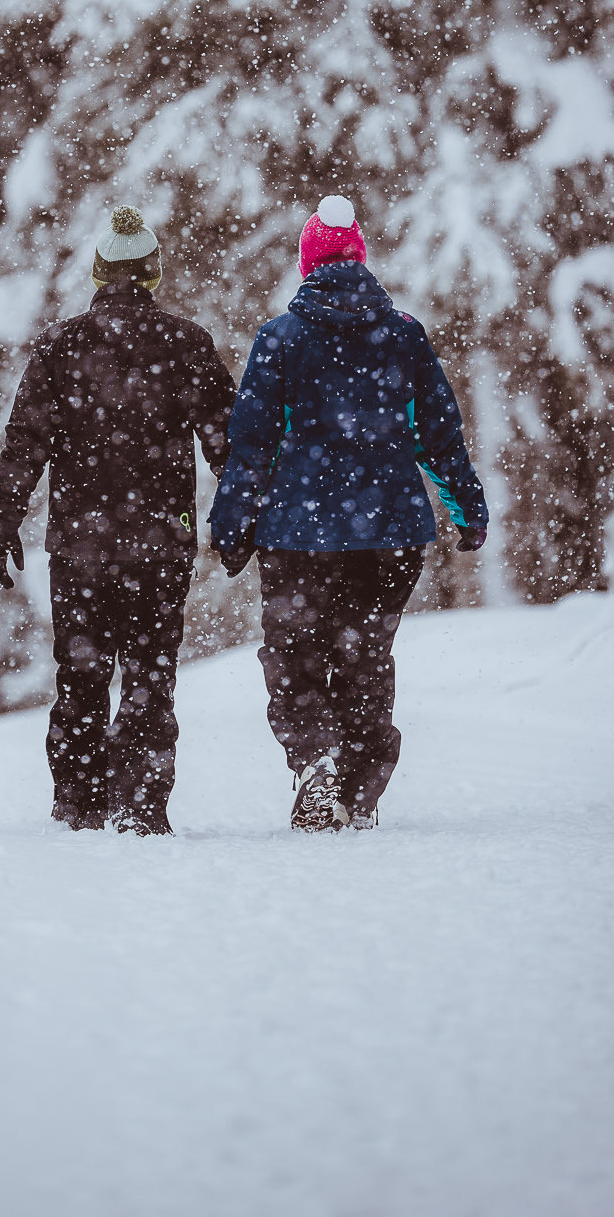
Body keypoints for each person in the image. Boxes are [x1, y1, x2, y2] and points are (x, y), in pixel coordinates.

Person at [209, 195, 487, 833]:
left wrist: (232, 526)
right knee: (366, 654)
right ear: (359, 260)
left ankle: (315, 763)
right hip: (390, 531)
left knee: (295, 654)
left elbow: (251, 447)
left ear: (307, 265)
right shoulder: (404, 335)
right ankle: (359, 789)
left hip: (298, 534)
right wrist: (466, 507)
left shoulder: (281, 339)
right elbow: (438, 435)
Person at [0, 206, 236, 834]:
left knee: (81, 673)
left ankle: (79, 802)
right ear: (152, 273)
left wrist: (1, 520)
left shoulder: (61, 345)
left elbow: (26, 441)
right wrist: (243, 518)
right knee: (151, 673)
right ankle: (141, 806)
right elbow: (227, 444)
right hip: (161, 543)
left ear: (98, 274)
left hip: (81, 546)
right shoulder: (186, 343)